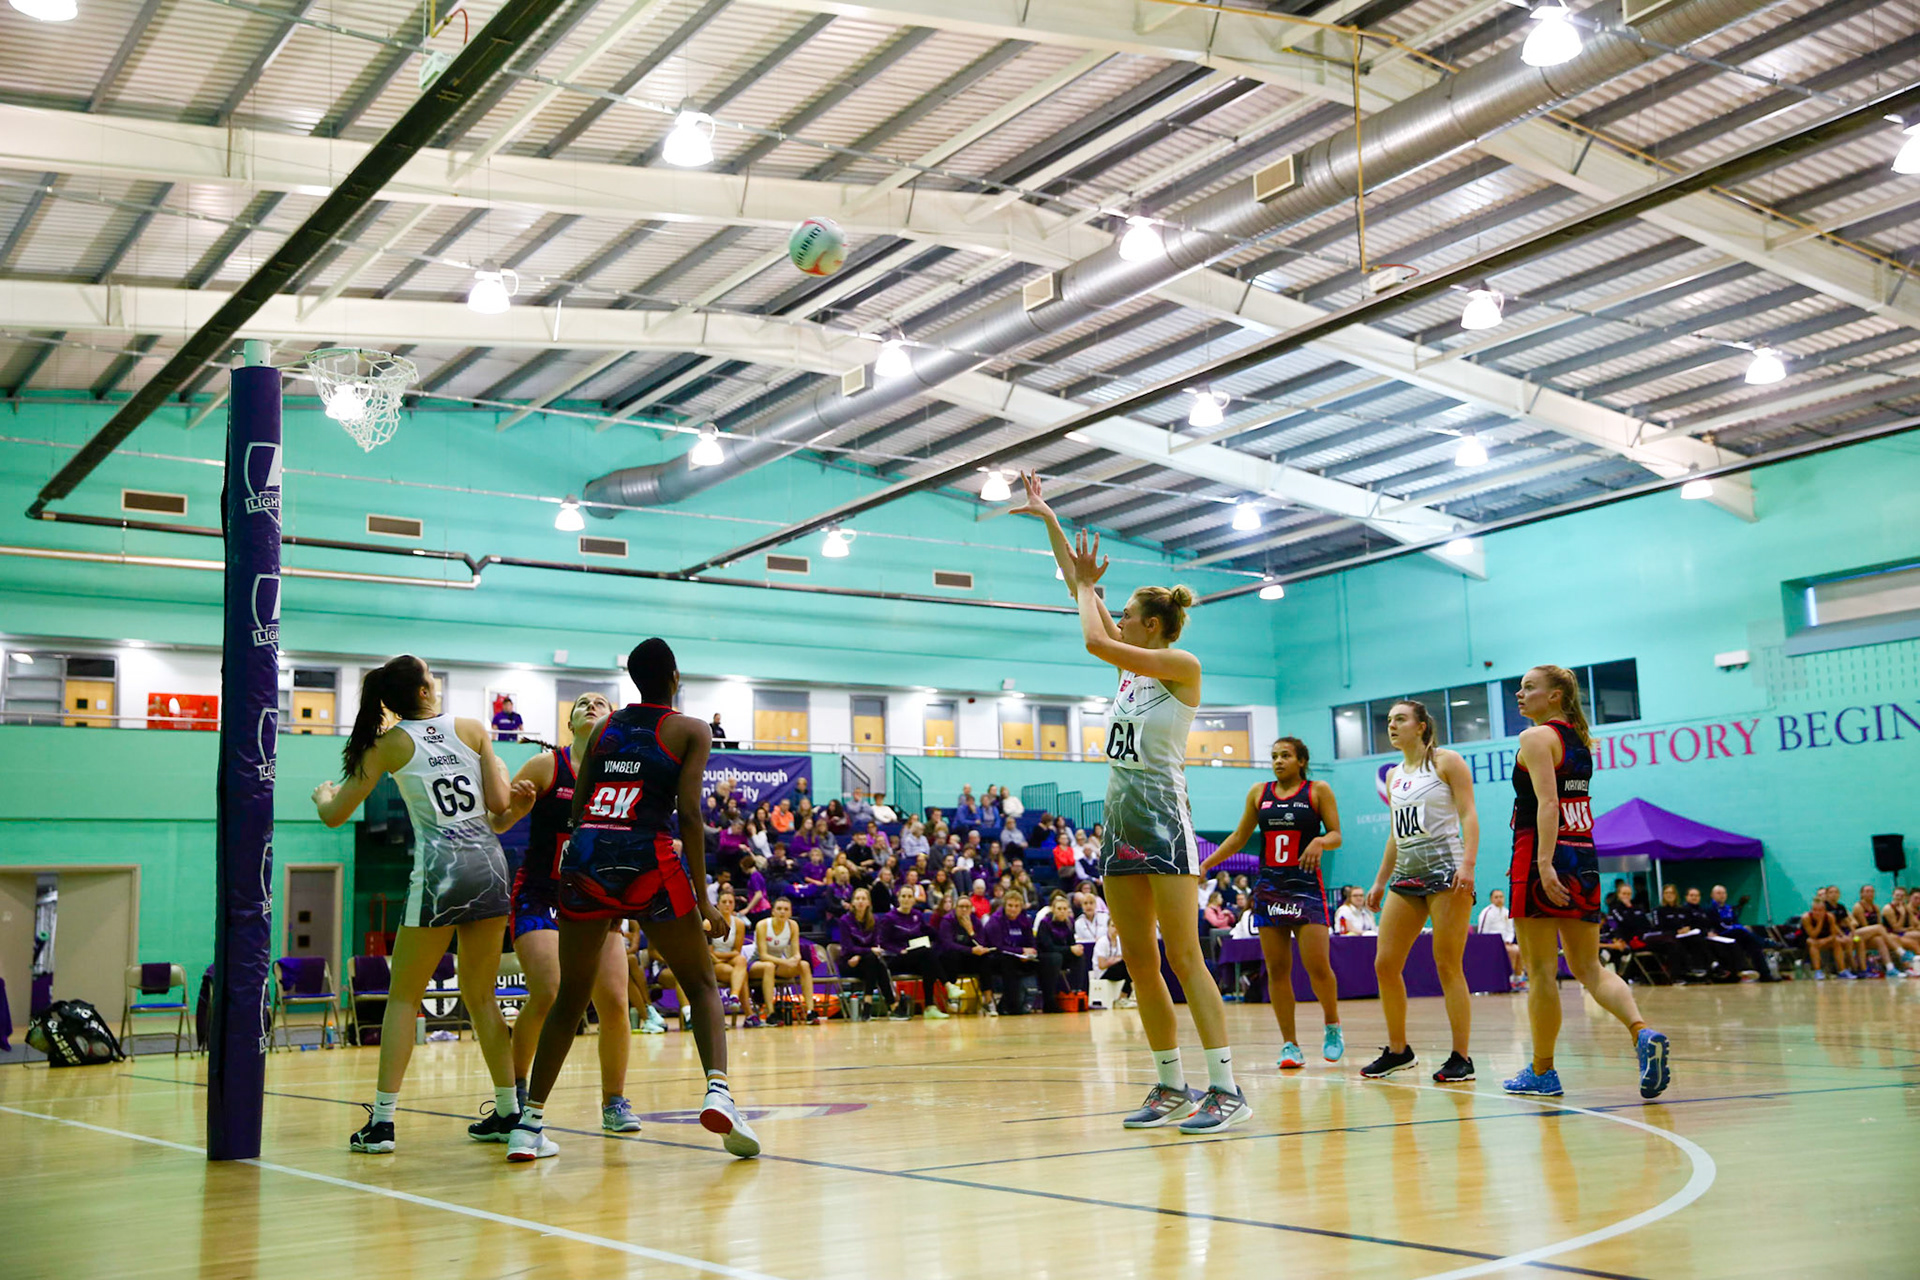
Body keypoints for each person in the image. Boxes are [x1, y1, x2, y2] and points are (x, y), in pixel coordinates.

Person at [1013, 470, 1245, 1132]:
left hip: (1166, 820)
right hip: (1118, 823)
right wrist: (1051, 520)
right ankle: (1170, 1083)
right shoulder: (1130, 667)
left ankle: (1225, 1086)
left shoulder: (1181, 666)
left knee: (1183, 955)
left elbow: (1091, 630)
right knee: (1139, 959)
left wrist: (1088, 590)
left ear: (1149, 627)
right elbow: (1078, 594)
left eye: (1127, 620)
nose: (1119, 625)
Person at [514, 638, 759, 1162]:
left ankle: (528, 1125)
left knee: (570, 997)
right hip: (648, 859)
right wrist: (706, 898)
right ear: (674, 675)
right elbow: (690, 817)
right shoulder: (690, 729)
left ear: (631, 678)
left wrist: (587, 852)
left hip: (586, 859)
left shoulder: (605, 728)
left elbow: (579, 804)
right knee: (700, 983)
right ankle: (719, 1093)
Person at [311, 655, 518, 1154]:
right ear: (424, 691)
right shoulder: (471, 728)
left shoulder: (386, 745)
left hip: (441, 872)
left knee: (404, 996)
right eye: (431, 677)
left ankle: (382, 1123)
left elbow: (336, 815)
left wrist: (322, 796)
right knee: (482, 996)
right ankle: (510, 1112)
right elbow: (501, 804)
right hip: (489, 866)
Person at [482, 693, 647, 1136]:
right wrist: (514, 807)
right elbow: (496, 822)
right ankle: (513, 1094)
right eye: (582, 702)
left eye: (601, 702)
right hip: (541, 893)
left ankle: (614, 1101)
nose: (591, 705)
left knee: (614, 1000)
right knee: (551, 991)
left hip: (596, 896)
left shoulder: (622, 772)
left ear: (614, 720)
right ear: (570, 721)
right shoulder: (545, 766)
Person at [1504, 665, 1669, 1100]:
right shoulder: (1580, 739)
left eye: (1529, 688)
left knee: (1540, 971)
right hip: (1585, 855)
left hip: (1544, 854)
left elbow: (1547, 803)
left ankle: (1542, 1071)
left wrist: (1542, 864)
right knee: (1588, 968)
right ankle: (1641, 1031)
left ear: (1555, 696)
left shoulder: (1535, 738)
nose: (1519, 695)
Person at [1201, 735, 1344, 1070]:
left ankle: (1332, 1027)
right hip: (1269, 890)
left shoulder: (1318, 790)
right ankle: (1290, 1045)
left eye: (1286, 756)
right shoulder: (1258, 793)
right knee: (1277, 970)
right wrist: (1208, 863)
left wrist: (1321, 841)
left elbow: (1337, 834)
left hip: (1306, 889)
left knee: (1317, 967)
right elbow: (1238, 837)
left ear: (1301, 761)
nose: (1278, 761)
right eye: (1274, 756)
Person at [1362, 699, 1477, 1085]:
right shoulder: (1394, 775)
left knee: (1447, 964)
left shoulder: (1447, 762)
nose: (1392, 726)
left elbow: (1468, 815)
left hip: (1448, 874)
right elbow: (1397, 833)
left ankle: (1461, 1056)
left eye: (1400, 719)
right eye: (1389, 720)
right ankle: (1399, 1051)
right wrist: (1380, 880)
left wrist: (1469, 865)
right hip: (1407, 877)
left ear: (1422, 725)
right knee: (1385, 963)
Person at [878, 893, 949, 1019]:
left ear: (913, 900)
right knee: (927, 953)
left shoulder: (917, 915)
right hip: (896, 959)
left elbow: (929, 932)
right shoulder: (889, 918)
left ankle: (929, 1007)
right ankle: (947, 984)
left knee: (928, 961)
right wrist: (899, 950)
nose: (906, 899)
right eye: (903, 896)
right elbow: (883, 942)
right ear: (898, 898)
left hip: (916, 956)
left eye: (909, 896)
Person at [749, 897, 819, 1024]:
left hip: (778, 963)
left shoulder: (793, 926)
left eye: (786, 909)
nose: (782, 912)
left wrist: (796, 958)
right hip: (758, 963)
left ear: (790, 913)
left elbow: (796, 952)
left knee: (804, 965)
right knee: (769, 966)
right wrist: (787, 962)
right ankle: (770, 1014)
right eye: (779, 909)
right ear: (773, 912)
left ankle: (810, 1012)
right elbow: (763, 956)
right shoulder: (763, 925)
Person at [982, 887, 1042, 1014]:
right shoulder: (995, 921)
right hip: (996, 958)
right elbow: (998, 946)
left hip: (1019, 957)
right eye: (1010, 905)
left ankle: (1046, 1001)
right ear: (1004, 905)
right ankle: (1009, 1005)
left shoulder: (1024, 920)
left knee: (1046, 960)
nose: (1013, 909)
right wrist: (1021, 950)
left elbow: (1031, 942)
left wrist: (1031, 952)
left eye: (1016, 906)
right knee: (1008, 962)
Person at [1037, 891, 1090, 1004]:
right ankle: (1050, 999)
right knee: (1056, 957)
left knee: (1079, 956)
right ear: (1053, 909)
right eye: (1059, 908)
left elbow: (1071, 942)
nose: (1062, 911)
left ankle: (1077, 991)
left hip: (1061, 954)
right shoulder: (1045, 923)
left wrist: (1076, 948)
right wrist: (1070, 949)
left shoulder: (1069, 922)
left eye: (1065, 909)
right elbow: (1048, 947)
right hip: (1045, 956)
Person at [1476, 888, 1524, 986]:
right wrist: (1497, 943)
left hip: (1506, 943)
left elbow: (1510, 930)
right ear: (1491, 899)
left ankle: (1518, 979)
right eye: (1496, 897)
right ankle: (1508, 979)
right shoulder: (1487, 913)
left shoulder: (1507, 912)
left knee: (1520, 950)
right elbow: (1483, 932)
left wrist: (1508, 940)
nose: (1499, 899)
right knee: (1512, 951)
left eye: (1501, 897)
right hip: (1491, 944)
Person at [1801, 896, 1850, 978]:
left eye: (1820, 910)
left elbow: (1834, 934)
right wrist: (1820, 922)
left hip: (1825, 940)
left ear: (1825, 911)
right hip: (1808, 941)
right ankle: (1818, 971)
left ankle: (1842, 971)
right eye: (1815, 910)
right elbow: (1813, 935)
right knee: (1812, 943)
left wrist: (1825, 940)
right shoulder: (1806, 918)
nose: (1817, 913)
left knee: (1837, 942)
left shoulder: (1830, 917)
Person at [1093, 916, 1133, 1008]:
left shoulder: (1119, 941)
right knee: (1125, 965)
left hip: (1115, 969)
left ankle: (1123, 997)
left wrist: (1114, 960)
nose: (1115, 929)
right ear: (1108, 927)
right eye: (1113, 926)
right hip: (1102, 973)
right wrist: (1115, 960)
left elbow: (1122, 957)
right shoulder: (1102, 942)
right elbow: (1102, 965)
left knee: (1130, 967)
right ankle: (1123, 997)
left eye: (1118, 926)